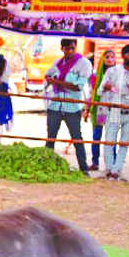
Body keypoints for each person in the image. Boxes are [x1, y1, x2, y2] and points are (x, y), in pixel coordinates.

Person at [97, 45, 129, 180]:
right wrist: (107, 87)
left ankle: (116, 170)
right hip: (114, 110)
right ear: (123, 55)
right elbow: (99, 90)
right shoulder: (112, 72)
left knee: (124, 142)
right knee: (109, 141)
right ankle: (109, 169)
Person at [43, 38, 92, 174]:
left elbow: (78, 87)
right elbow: (47, 75)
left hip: (72, 106)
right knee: (50, 137)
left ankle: (84, 169)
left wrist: (57, 82)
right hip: (55, 104)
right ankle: (46, 167)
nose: (69, 51)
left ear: (76, 47)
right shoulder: (57, 62)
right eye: (66, 49)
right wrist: (50, 80)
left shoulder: (84, 63)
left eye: (72, 48)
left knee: (77, 138)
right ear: (62, 48)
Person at [85, 49, 116, 171]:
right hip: (99, 109)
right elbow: (93, 92)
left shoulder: (118, 73)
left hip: (113, 108)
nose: (110, 59)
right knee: (97, 136)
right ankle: (95, 162)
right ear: (103, 59)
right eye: (107, 57)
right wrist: (87, 109)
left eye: (112, 57)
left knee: (111, 137)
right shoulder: (97, 75)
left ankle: (112, 164)